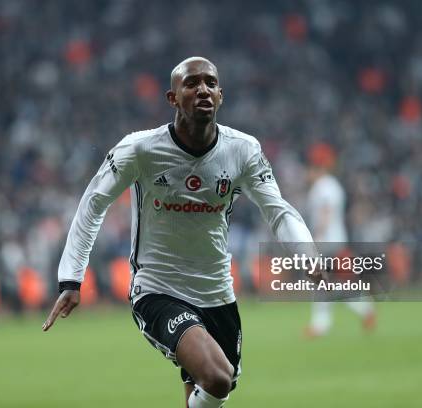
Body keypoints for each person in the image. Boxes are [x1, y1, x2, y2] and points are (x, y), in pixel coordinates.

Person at [42, 57, 315, 408]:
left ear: (220, 96)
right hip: (158, 290)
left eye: (210, 83)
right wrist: (71, 279)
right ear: (172, 98)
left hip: (217, 292)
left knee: (214, 385)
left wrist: (307, 252)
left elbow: (277, 209)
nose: (202, 89)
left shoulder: (243, 150)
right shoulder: (140, 149)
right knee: (217, 377)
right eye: (191, 83)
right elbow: (93, 204)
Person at [301, 143, 376, 337]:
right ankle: (365, 310)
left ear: (316, 168)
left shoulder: (322, 186)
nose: (306, 173)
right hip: (336, 240)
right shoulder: (333, 185)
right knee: (335, 284)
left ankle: (322, 324)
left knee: (323, 283)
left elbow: (325, 213)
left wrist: (316, 238)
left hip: (327, 242)